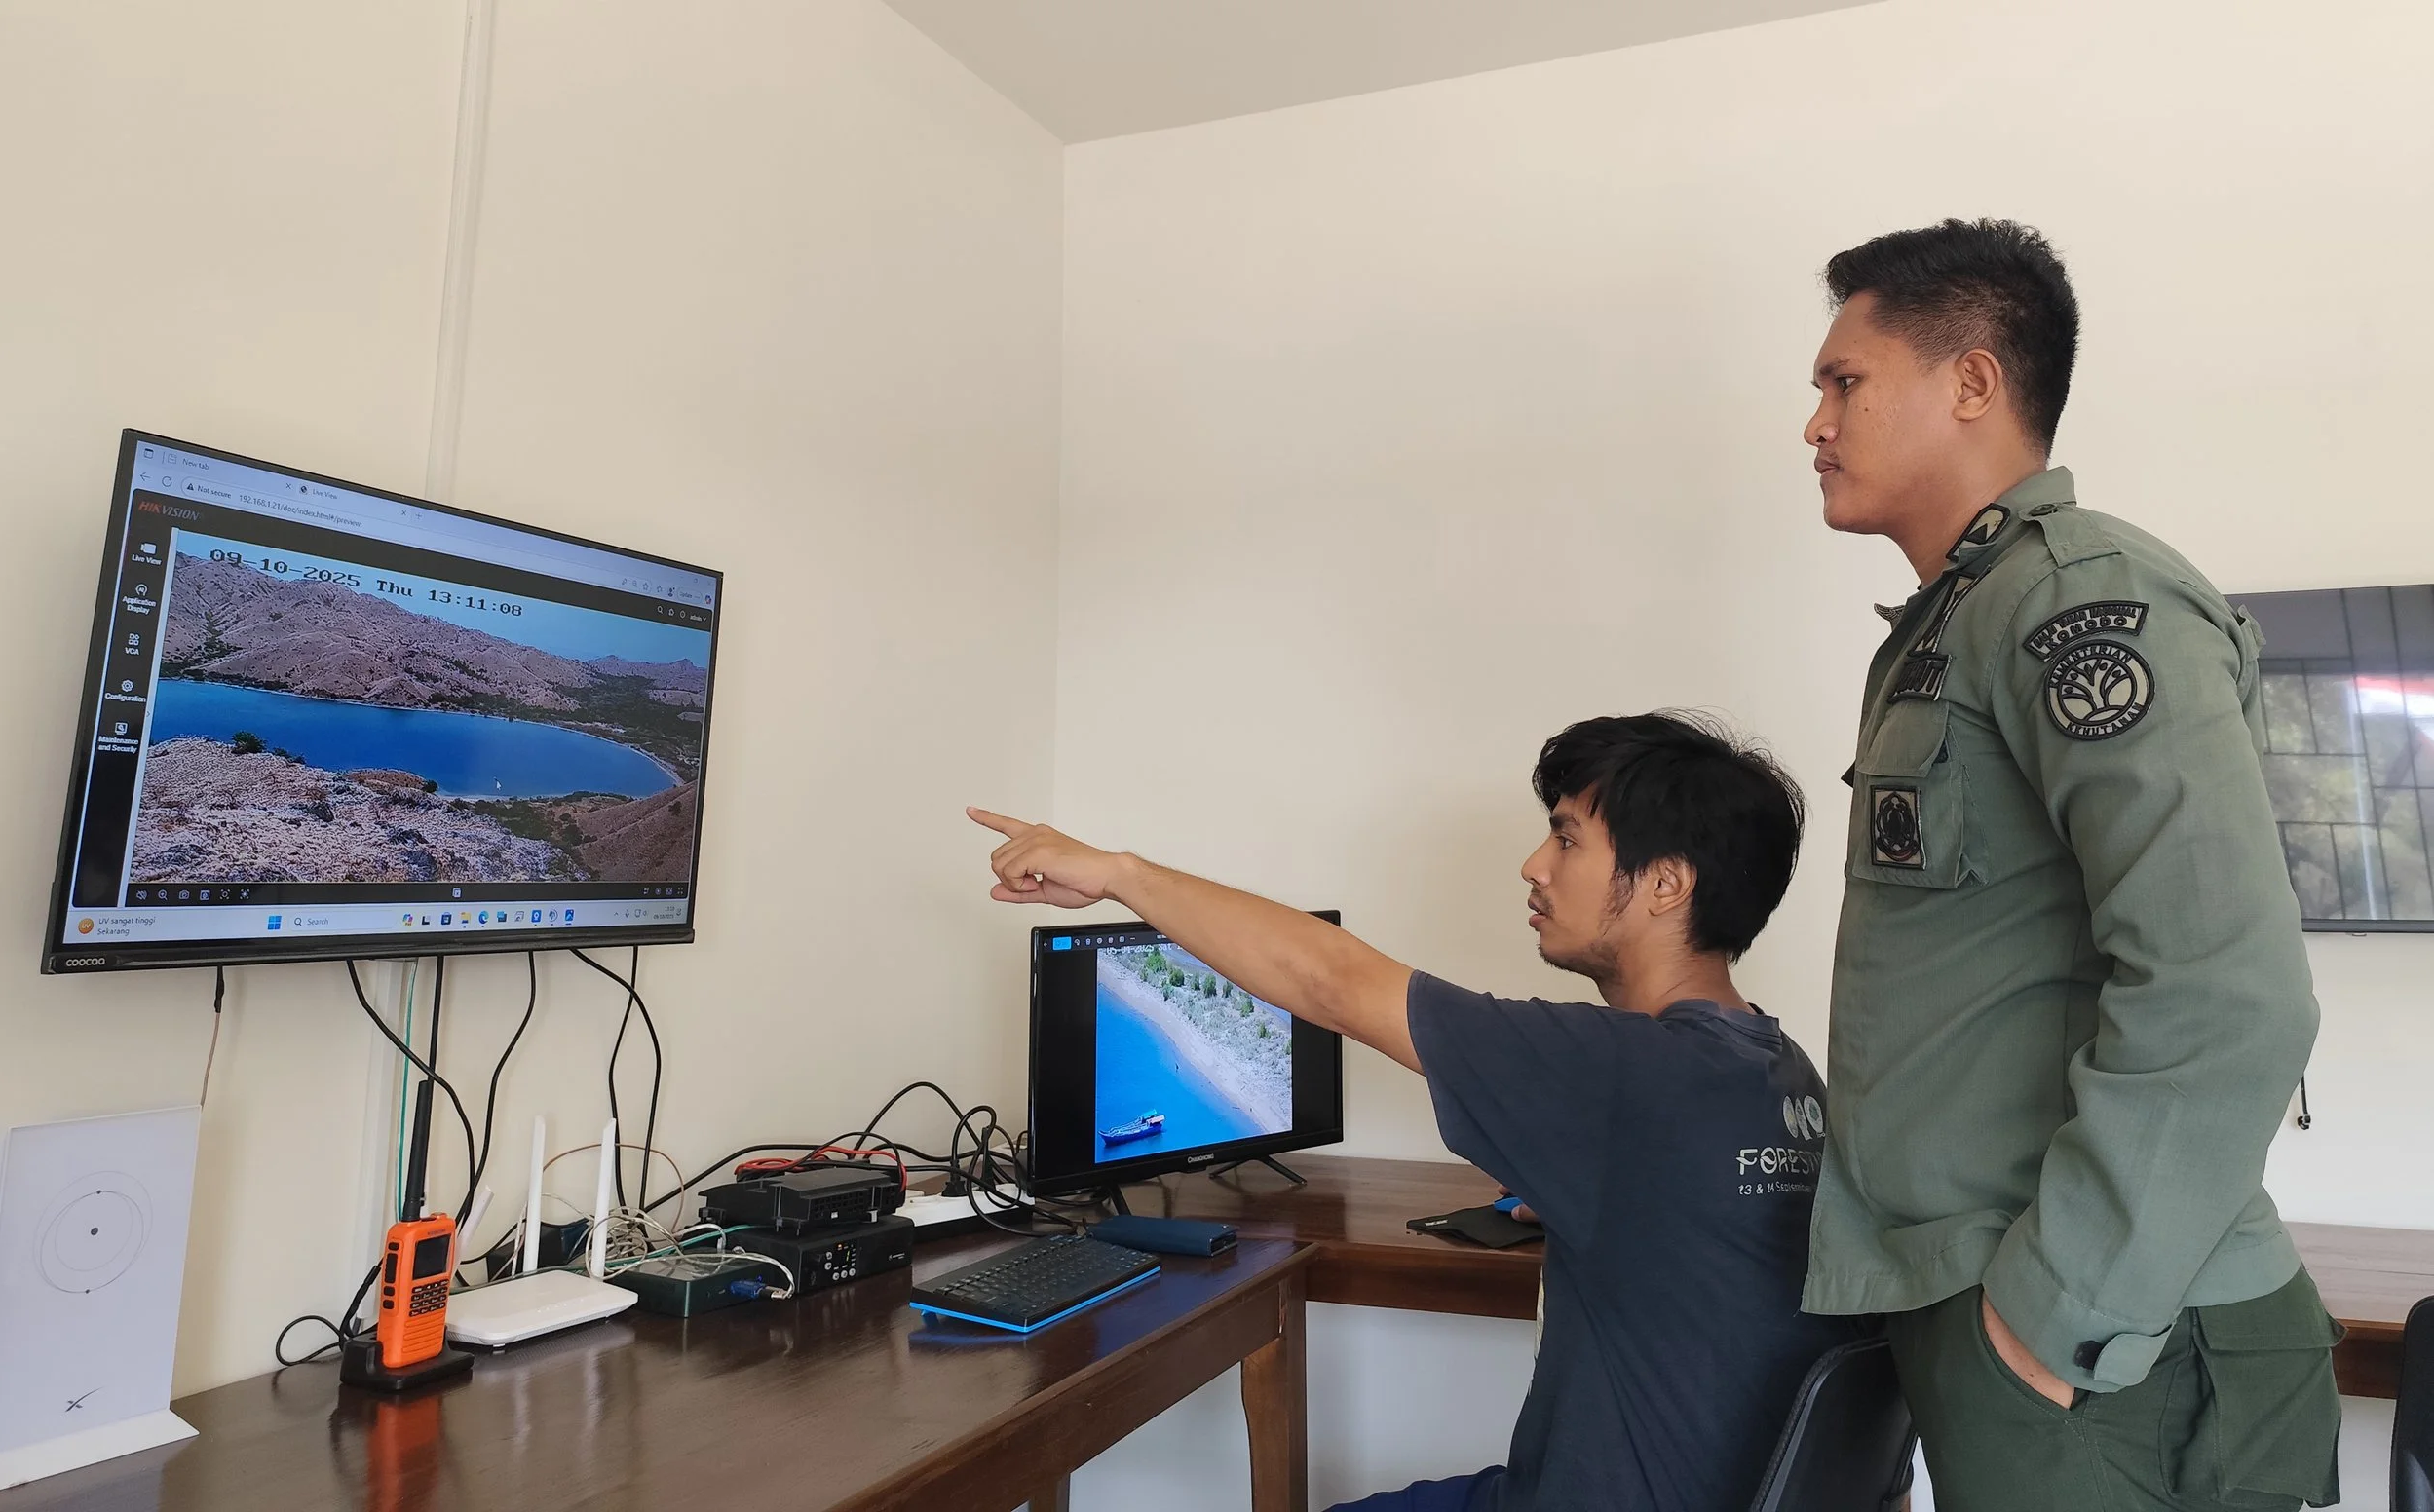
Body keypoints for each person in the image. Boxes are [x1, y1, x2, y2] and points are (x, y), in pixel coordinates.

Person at [971, 712, 1858, 1512]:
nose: (1534, 865)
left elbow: (1333, 982)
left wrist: (1120, 874)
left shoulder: (1628, 1070)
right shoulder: (1782, 1075)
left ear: (1666, 884)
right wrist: (1595, 1199)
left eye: (1566, 839)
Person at [1799, 218, 2342, 1509]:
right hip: (2039, 1325)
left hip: (2111, 1347)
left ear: (1972, 382)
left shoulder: (2079, 600)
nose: (1813, 425)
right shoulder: (1964, 616)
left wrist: (2053, 1318)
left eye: (1843, 382)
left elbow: (2229, 993)